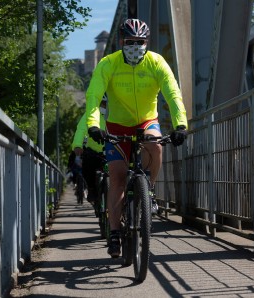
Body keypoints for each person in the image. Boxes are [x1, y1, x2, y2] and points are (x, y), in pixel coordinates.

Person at [85, 18, 188, 258]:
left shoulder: (156, 62)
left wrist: (180, 124)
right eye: (130, 41)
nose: (135, 46)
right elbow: (93, 97)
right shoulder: (108, 63)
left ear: (147, 42)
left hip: (146, 122)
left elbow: (173, 94)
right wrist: (92, 125)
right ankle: (114, 234)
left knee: (156, 145)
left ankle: (148, 190)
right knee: (118, 178)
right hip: (117, 125)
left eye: (140, 42)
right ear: (121, 41)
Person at [71, 95, 108, 204]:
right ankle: (91, 189)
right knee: (88, 165)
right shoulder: (90, 115)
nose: (103, 106)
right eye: (100, 103)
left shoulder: (116, 114)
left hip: (113, 150)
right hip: (94, 151)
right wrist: (78, 145)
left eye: (104, 103)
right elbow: (81, 129)